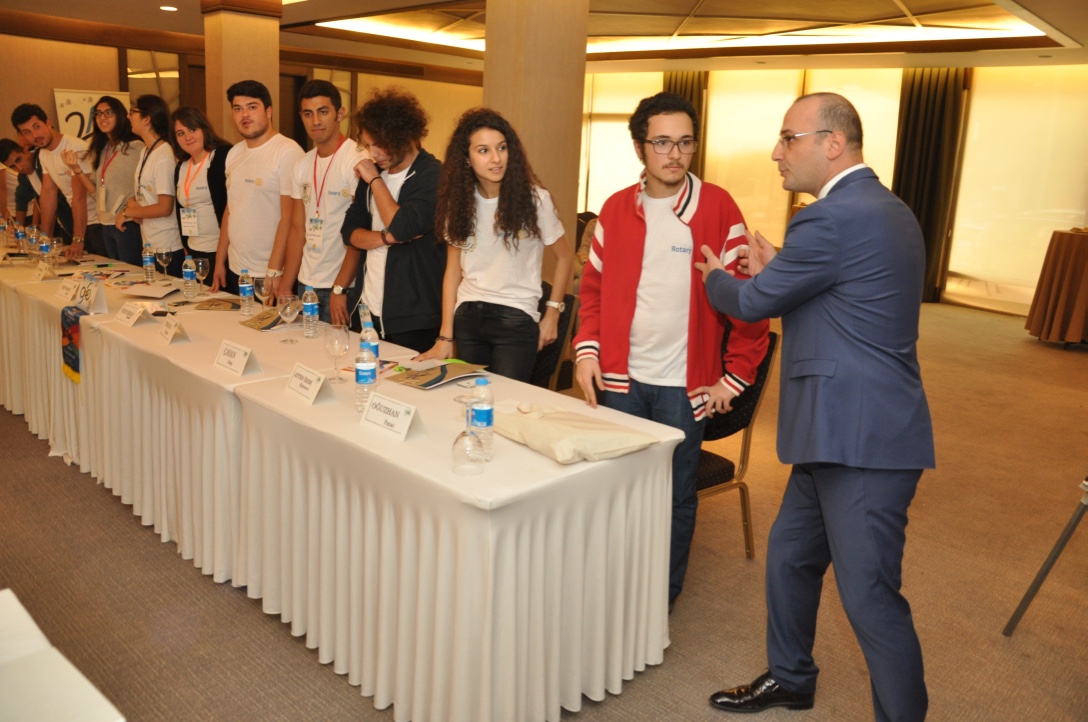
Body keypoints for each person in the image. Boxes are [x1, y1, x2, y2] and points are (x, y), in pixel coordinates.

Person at [696, 92, 934, 721]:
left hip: (859, 441)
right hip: (835, 431)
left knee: (871, 599)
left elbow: (752, 304)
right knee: (790, 557)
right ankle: (792, 678)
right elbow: (847, 297)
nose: (777, 152)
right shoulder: (889, 208)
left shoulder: (827, 219)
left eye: (788, 138)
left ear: (834, 143)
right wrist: (782, 270)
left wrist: (717, 276)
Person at [573, 92, 769, 609]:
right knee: (616, 488)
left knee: (676, 497)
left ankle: (658, 600)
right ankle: (615, 588)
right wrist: (587, 352)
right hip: (620, 380)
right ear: (640, 146)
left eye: (685, 142)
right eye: (662, 142)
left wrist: (734, 376)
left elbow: (750, 303)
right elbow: (593, 291)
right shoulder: (616, 208)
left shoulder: (718, 207)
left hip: (684, 387)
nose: (674, 154)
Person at [415, 108, 572, 381]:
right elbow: (453, 272)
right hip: (468, 317)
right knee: (472, 398)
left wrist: (552, 314)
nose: (496, 158)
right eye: (483, 150)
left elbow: (565, 257)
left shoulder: (535, 200)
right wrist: (445, 336)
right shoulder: (458, 204)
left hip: (516, 319)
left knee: (505, 401)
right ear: (466, 158)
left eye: (501, 148)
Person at [340, 87, 444, 351]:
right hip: (367, 308)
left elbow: (402, 225)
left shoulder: (433, 175)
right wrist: (386, 238)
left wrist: (375, 180)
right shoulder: (374, 173)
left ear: (404, 137)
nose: (373, 153)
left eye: (379, 144)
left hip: (413, 317)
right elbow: (349, 231)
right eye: (369, 145)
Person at [282, 79, 367, 328]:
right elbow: (297, 228)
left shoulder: (356, 159)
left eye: (323, 112)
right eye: (308, 114)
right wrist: (286, 284)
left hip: (342, 285)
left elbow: (360, 230)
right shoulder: (301, 165)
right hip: (306, 282)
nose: (315, 121)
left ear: (339, 113)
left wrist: (340, 287)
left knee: (338, 349)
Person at [211, 79, 304, 296]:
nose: (244, 115)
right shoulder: (234, 153)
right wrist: (220, 260)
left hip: (270, 272)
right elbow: (230, 210)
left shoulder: (287, 151)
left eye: (252, 107)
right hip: (237, 269)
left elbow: (290, 217)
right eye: (238, 109)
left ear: (268, 111)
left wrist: (274, 269)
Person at [11, 103, 101, 257]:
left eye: (37, 127)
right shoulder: (43, 153)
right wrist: (44, 238)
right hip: (78, 223)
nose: (35, 136)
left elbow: (79, 197)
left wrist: (78, 239)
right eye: (27, 132)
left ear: (48, 123)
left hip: (98, 222)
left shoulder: (75, 148)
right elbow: (48, 194)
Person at [64, 95, 143, 262]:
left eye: (109, 113)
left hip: (127, 223)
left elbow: (148, 184)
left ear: (120, 115)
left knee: (133, 272)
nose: (102, 117)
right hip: (106, 223)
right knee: (119, 272)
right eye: (98, 114)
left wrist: (133, 205)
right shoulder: (103, 149)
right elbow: (95, 192)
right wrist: (77, 170)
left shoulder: (136, 147)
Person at [120, 95, 183, 276]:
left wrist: (128, 213)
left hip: (167, 244)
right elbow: (146, 192)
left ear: (146, 119)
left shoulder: (164, 155)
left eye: (133, 112)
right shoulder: (145, 151)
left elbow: (164, 207)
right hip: (150, 240)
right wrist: (132, 203)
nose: (128, 116)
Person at [170, 106, 230, 272]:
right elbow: (180, 208)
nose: (187, 137)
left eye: (192, 129)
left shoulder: (221, 156)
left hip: (222, 251)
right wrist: (186, 245)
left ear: (204, 129)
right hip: (194, 249)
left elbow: (231, 205)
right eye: (180, 133)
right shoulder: (181, 166)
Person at [0, 139, 74, 234]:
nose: (20, 168)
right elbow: (21, 201)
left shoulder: (43, 163)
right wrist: (19, 230)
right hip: (64, 226)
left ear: (25, 150)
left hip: (82, 219)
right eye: (12, 167)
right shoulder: (23, 177)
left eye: (19, 159)